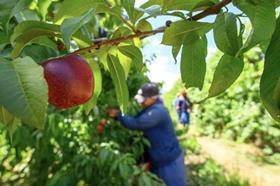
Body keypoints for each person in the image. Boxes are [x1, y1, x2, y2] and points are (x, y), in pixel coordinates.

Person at [108, 83, 187, 186]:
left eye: (143, 99)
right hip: (158, 160)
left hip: (169, 162)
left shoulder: (158, 111)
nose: (141, 102)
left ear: (153, 98)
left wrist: (119, 115)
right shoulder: (150, 109)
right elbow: (136, 118)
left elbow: (137, 123)